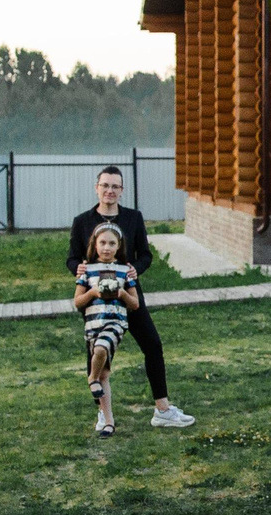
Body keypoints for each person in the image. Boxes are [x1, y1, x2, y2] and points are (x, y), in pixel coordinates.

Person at [64, 167, 197, 430]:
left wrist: (136, 268)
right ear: (97, 188)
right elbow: (72, 257)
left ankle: (162, 409)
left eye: (115, 186)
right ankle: (103, 414)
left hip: (128, 295)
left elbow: (146, 254)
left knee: (152, 344)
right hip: (96, 303)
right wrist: (77, 268)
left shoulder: (134, 218)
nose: (110, 190)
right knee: (97, 356)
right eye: (105, 185)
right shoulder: (82, 221)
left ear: (122, 190)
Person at [71, 227, 141, 438]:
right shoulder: (87, 270)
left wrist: (121, 293)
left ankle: (90, 378)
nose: (107, 248)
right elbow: (77, 302)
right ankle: (108, 422)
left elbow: (135, 303)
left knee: (101, 349)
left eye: (112, 244)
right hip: (93, 324)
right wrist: (93, 292)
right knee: (105, 375)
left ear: (118, 246)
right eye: (103, 243)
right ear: (95, 244)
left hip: (115, 322)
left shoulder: (124, 271)